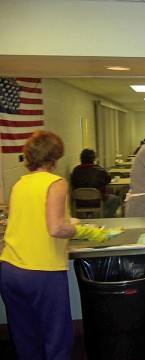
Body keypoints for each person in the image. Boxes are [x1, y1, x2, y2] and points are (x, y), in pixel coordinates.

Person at [0, 131, 108, 360]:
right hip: (41, 271)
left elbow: (29, 217)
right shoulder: (55, 183)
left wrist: (67, 221)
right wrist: (83, 230)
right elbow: (56, 229)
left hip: (10, 268)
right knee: (57, 335)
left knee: (26, 335)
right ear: (55, 157)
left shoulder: (20, 183)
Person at [71, 149, 122, 217]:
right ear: (93, 158)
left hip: (79, 202)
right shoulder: (99, 170)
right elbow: (108, 180)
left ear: (81, 158)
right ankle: (105, 217)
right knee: (117, 199)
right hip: (97, 201)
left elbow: (73, 183)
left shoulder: (75, 171)